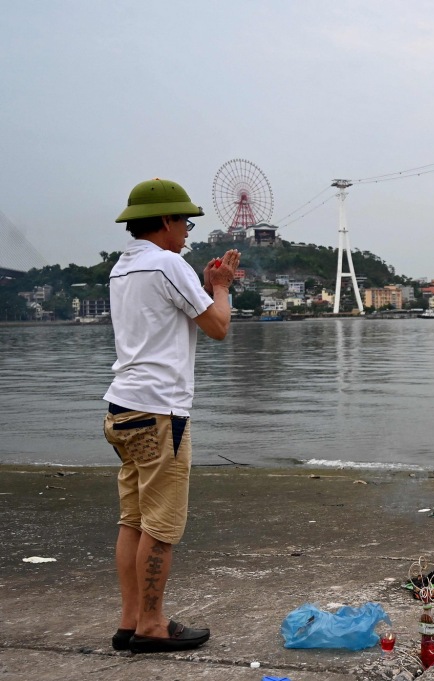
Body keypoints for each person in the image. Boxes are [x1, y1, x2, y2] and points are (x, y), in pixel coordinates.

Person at [103, 178, 240, 654]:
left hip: (123, 409)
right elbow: (217, 326)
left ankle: (131, 622)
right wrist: (220, 287)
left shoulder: (123, 268)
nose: (187, 231)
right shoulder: (167, 263)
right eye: (185, 222)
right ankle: (153, 625)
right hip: (160, 412)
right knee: (161, 526)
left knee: (134, 520)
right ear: (165, 220)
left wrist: (203, 286)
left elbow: (170, 315)